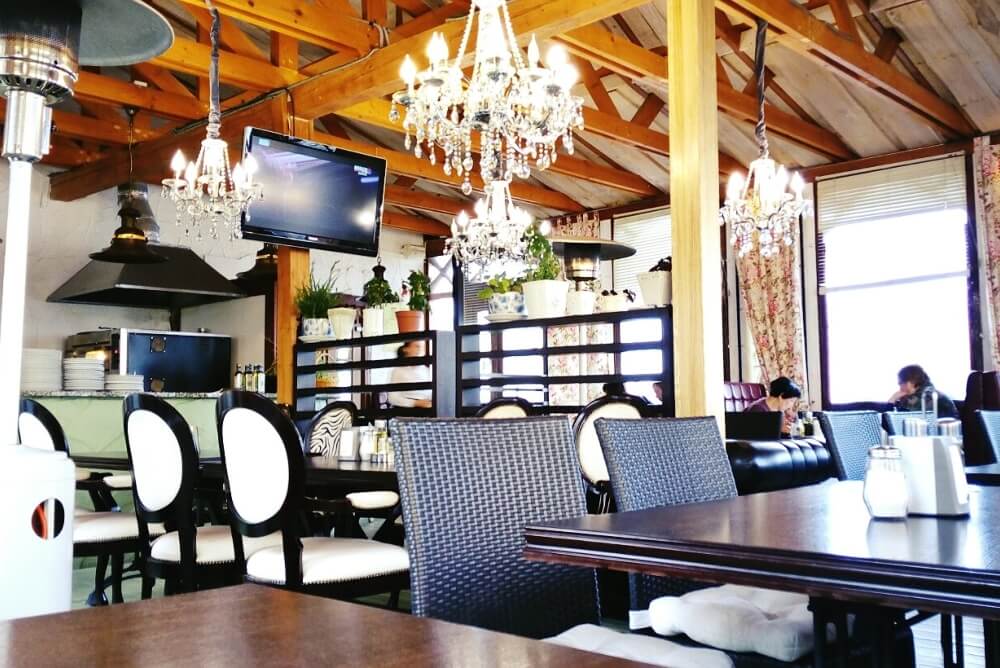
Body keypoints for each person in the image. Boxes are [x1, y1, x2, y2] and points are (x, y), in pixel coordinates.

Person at [889, 364, 958, 418]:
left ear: (910, 382)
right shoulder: (926, 393)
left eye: (900, 383)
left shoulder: (926, 396)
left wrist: (892, 400)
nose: (900, 387)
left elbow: (898, 420)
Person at [387, 340, 432, 409]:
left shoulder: (425, 370)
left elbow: (429, 393)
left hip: (426, 408)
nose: (420, 349)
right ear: (406, 349)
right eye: (416, 346)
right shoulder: (398, 371)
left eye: (420, 346)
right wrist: (415, 403)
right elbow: (392, 398)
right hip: (405, 410)